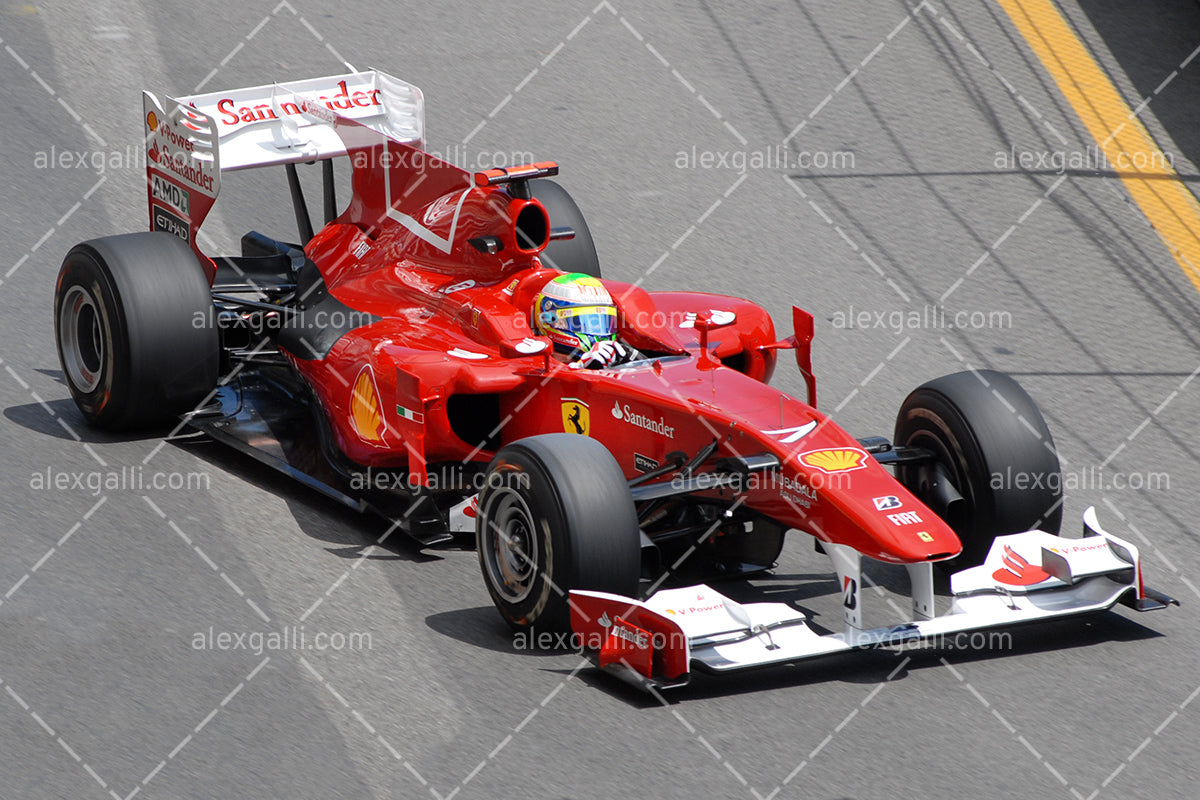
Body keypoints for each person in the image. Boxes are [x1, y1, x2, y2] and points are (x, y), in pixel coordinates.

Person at [532, 273, 638, 369]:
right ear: (551, 321)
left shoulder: (614, 354)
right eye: (580, 322)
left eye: (602, 322)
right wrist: (580, 368)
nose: (598, 330)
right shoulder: (533, 362)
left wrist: (632, 357)